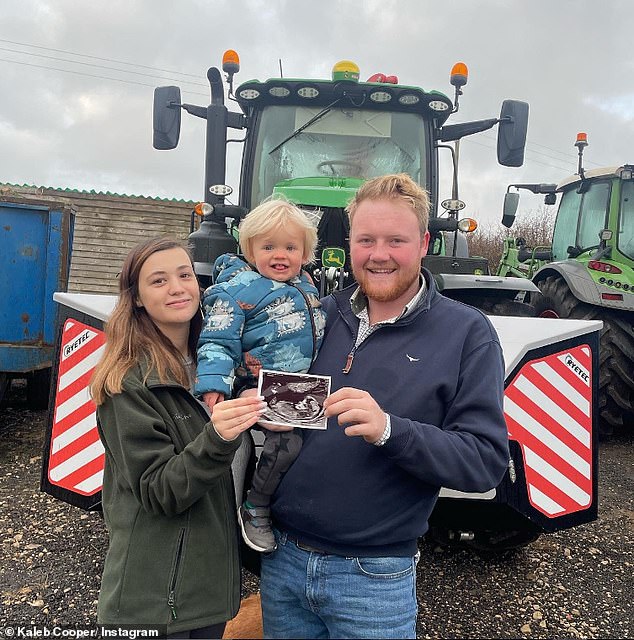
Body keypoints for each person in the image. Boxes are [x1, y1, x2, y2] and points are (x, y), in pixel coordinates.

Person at [259, 174, 511, 639]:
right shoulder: (317, 314)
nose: (379, 254)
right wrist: (249, 386)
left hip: (373, 578)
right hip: (284, 562)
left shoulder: (466, 334)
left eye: (396, 240)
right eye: (366, 240)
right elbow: (287, 413)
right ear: (348, 242)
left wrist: (390, 430)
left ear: (424, 243)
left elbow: (484, 464)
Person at [90, 236, 265, 638]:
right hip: (153, 598)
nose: (177, 287)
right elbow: (158, 490)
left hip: (209, 592)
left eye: (185, 275)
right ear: (135, 298)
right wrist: (218, 436)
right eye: (158, 280)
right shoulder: (129, 383)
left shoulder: (222, 368)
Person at [195, 199, 326, 554]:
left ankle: (291, 506)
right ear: (250, 248)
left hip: (296, 383)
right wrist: (214, 384)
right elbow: (217, 340)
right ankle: (256, 505)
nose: (279, 255)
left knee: (314, 447)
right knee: (286, 445)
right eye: (268, 246)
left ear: (305, 252)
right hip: (258, 383)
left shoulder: (306, 285)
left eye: (290, 247)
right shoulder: (235, 290)